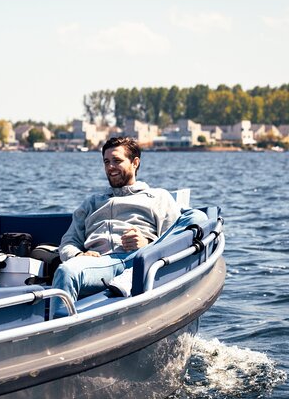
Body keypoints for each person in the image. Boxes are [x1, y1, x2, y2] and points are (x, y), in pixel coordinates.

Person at [51, 136, 188, 317]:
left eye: (117, 161)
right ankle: (63, 331)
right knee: (67, 269)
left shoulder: (158, 197)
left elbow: (174, 240)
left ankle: (60, 335)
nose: (110, 167)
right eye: (106, 162)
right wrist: (78, 254)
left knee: (67, 271)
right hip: (97, 263)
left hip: (137, 260)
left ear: (135, 163)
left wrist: (147, 243)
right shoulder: (92, 202)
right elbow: (68, 242)